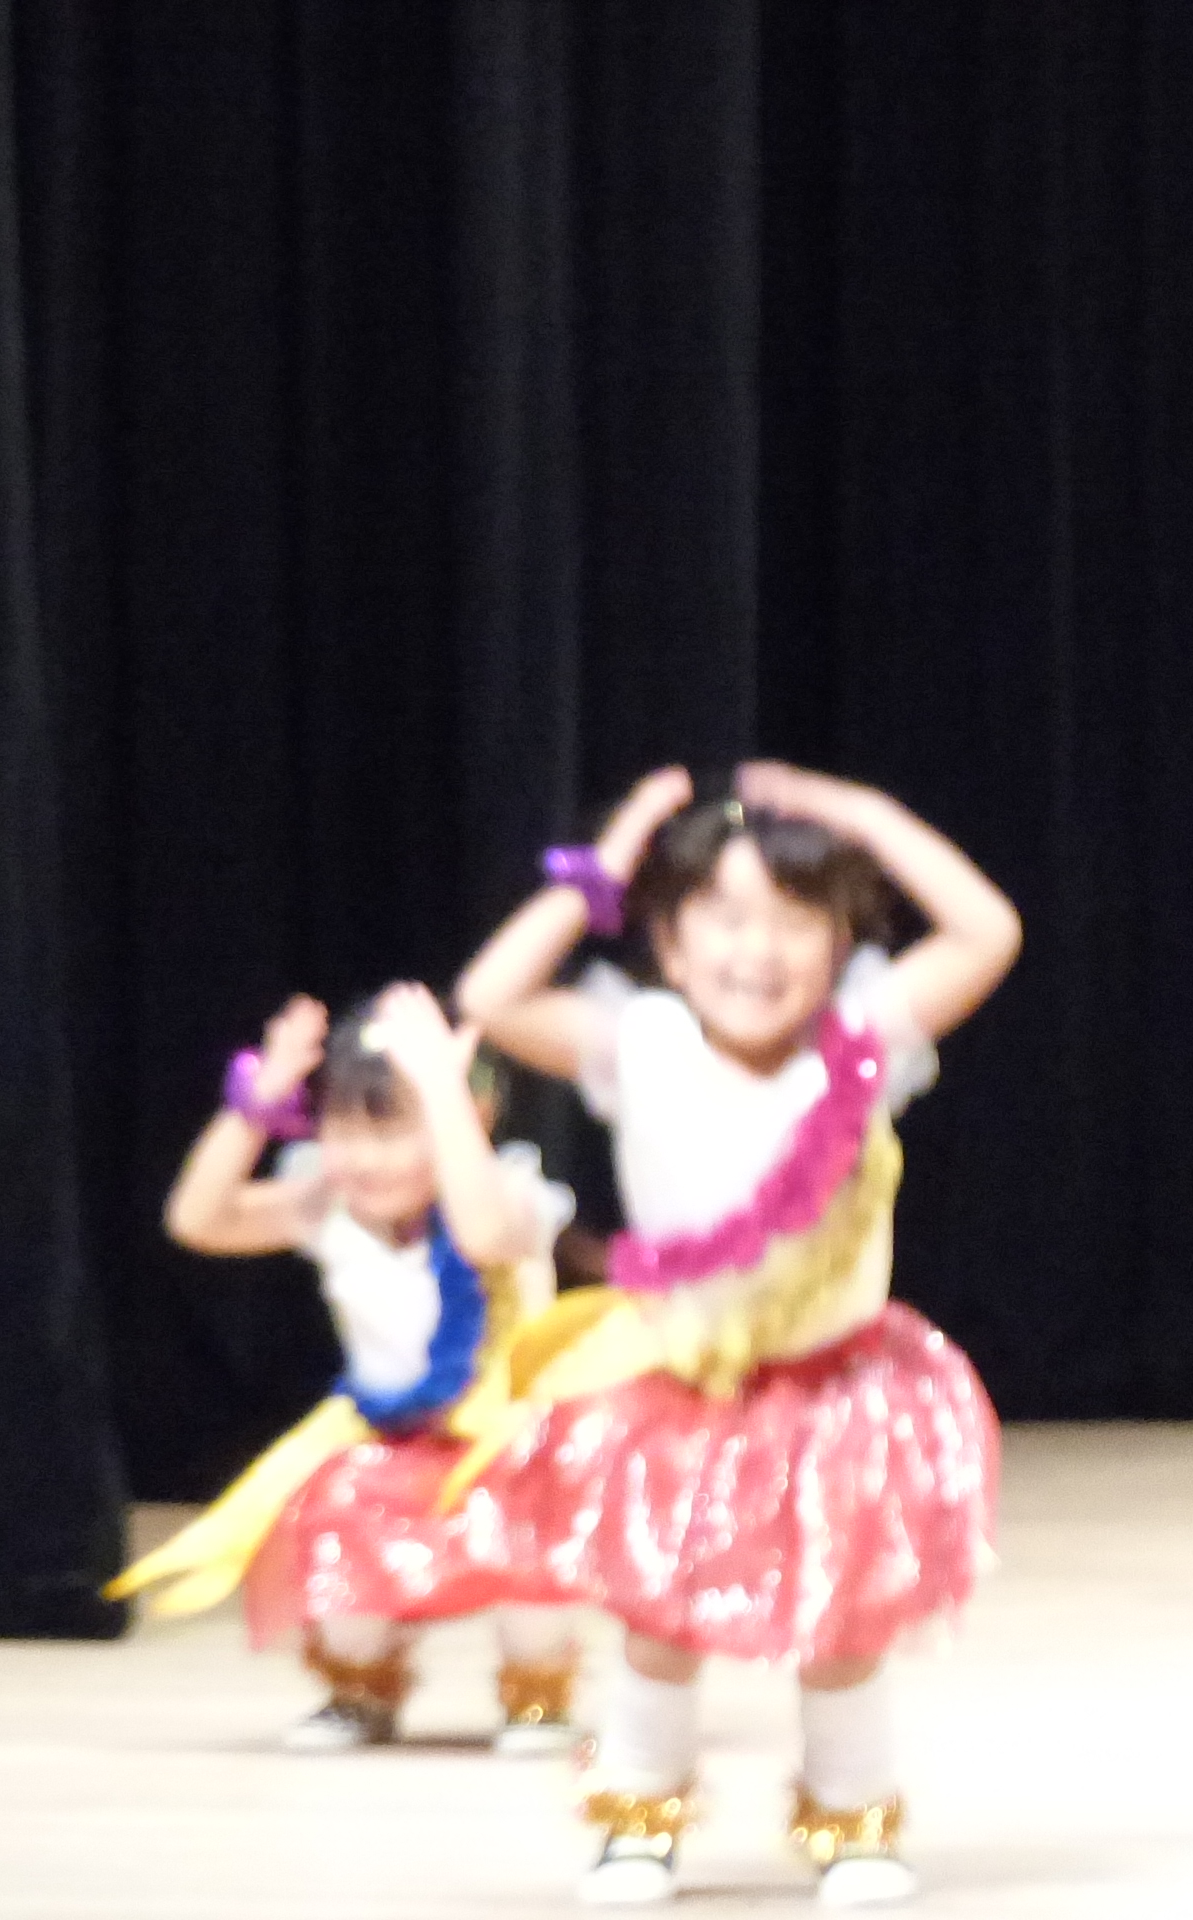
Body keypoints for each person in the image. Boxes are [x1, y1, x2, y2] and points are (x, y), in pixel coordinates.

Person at [451, 761, 1021, 1907]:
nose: (758, 949)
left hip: (836, 1392)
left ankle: (853, 1818)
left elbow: (985, 931)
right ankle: (638, 1817)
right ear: (668, 945)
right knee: (662, 1619)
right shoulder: (642, 1041)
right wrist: (603, 870)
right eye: (723, 917)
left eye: (796, 920)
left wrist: (865, 816)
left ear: (840, 945)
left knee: (843, 1621)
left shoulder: (862, 1035)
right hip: (686, 1392)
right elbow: (491, 993)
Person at [112, 985, 583, 1753]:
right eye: (343, 1129)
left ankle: (537, 1696)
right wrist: (255, 1106)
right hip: (386, 1438)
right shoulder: (327, 1206)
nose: (364, 1158)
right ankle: (360, 1691)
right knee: (336, 1508)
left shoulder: (506, 1197)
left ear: (470, 1117)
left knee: (529, 1529)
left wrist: (443, 1090)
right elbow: (197, 1220)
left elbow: (483, 1235)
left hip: (502, 1441)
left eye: (392, 1132)